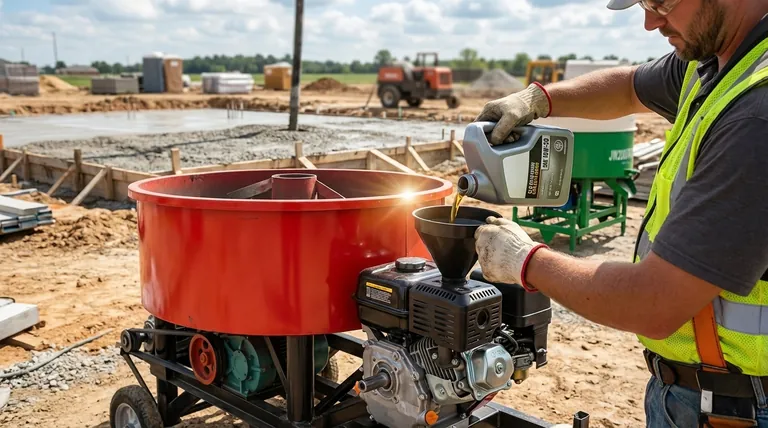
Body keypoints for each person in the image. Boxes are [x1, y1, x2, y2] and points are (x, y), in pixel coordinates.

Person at [472, 0, 768, 426]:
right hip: (699, 391)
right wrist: (537, 99)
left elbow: (653, 302)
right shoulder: (716, 60)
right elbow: (629, 86)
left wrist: (524, 260)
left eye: (661, 1)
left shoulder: (756, 114)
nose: (650, 22)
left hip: (739, 408)